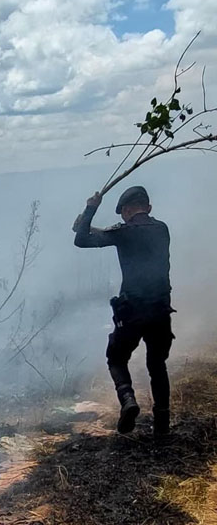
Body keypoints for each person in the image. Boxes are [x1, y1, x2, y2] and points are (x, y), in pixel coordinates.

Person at [73, 185, 174, 437]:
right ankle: (162, 426)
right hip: (161, 310)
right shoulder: (161, 229)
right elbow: (116, 233)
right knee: (157, 365)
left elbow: (81, 240)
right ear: (148, 208)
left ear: (126, 211)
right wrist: (89, 226)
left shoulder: (123, 232)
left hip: (132, 311)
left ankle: (128, 399)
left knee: (116, 358)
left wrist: (90, 210)